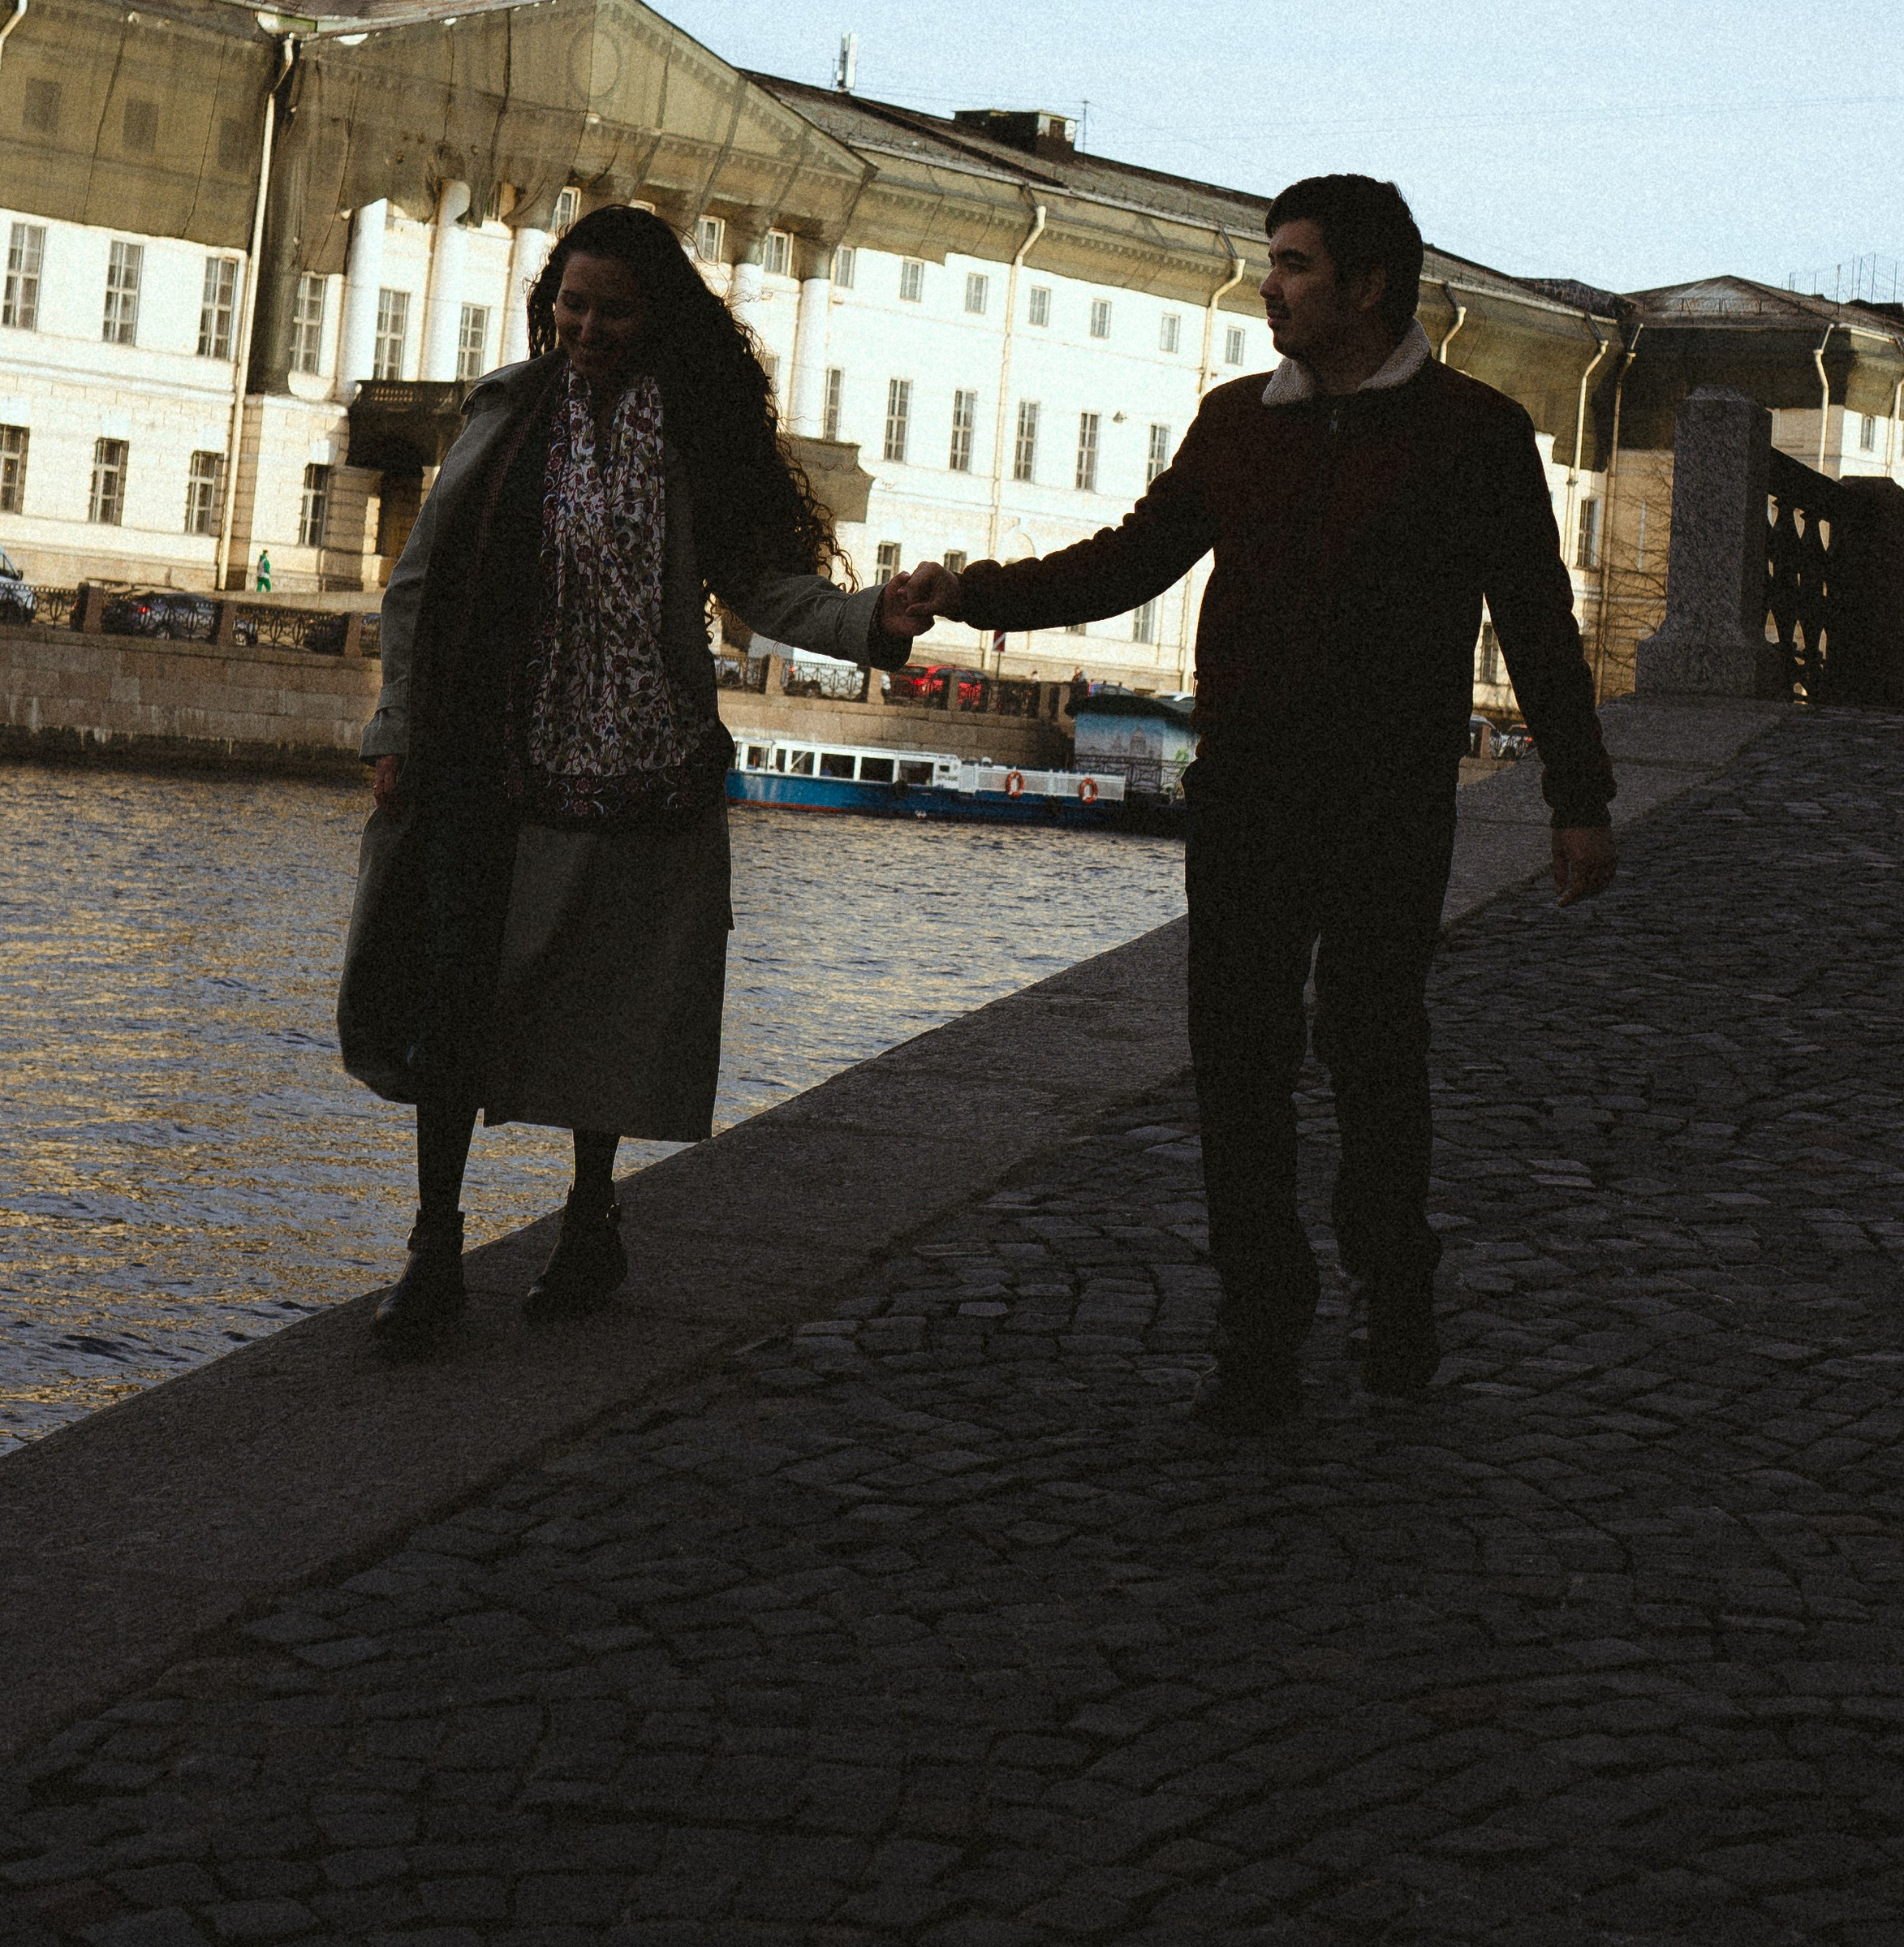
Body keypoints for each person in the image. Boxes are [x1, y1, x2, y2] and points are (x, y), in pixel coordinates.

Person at [902, 175, 1616, 1430]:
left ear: (1370, 285)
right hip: (1245, 795)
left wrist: (1579, 796)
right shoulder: (1238, 422)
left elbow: (1538, 623)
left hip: (1388, 805)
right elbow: (1128, 560)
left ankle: (1394, 1296)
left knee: (1373, 1054)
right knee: (1237, 1066)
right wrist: (971, 592)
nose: (1268, 286)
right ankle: (1261, 1326)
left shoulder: (1473, 433)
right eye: (1270, 261)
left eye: (1291, 265)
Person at [338, 205, 935, 1359]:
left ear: (655, 318)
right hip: (490, 747)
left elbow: (767, 590)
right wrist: (394, 726)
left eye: (612, 309)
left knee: (603, 1008)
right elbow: (418, 582)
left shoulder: (695, 435)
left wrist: (870, 620)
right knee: (453, 991)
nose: (587, 327)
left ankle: (591, 1216)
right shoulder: (509, 412)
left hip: (640, 759)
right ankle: (433, 1246)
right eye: (571, 302)